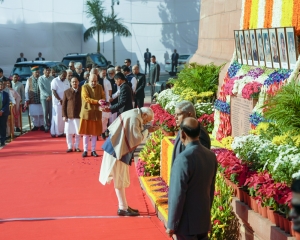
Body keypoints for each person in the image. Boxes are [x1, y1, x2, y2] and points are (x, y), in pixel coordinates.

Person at [99, 107, 157, 216]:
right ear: (144, 115)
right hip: (117, 150)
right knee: (119, 179)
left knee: (120, 178)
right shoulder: (135, 118)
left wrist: (145, 129)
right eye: (146, 120)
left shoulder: (134, 113)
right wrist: (147, 131)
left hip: (116, 147)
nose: (145, 122)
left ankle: (123, 206)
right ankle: (123, 208)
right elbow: (136, 138)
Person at [166, 117, 217, 240]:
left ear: (182, 134)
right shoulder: (211, 156)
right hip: (203, 221)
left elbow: (177, 194)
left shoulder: (183, 158)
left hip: (186, 224)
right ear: (199, 133)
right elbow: (211, 190)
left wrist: (172, 224)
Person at [172, 101, 211, 167]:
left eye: (178, 114)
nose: (175, 118)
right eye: (174, 114)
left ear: (189, 114)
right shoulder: (183, 129)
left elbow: (198, 163)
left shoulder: (199, 133)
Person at [78, 74, 105, 158]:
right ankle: (85, 150)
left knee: (95, 133)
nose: (94, 83)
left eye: (95, 81)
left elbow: (103, 97)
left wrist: (103, 102)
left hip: (96, 113)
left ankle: (93, 150)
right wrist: (98, 102)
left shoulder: (100, 87)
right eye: (92, 81)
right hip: (87, 112)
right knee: (86, 132)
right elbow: (86, 98)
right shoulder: (84, 87)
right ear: (88, 80)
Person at [62, 77, 82, 153]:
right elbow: (63, 105)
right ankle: (70, 146)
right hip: (69, 116)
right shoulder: (66, 92)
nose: (74, 83)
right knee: (68, 132)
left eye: (76, 82)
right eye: (73, 82)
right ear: (70, 83)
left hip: (78, 115)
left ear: (78, 82)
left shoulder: (82, 91)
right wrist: (64, 115)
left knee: (78, 132)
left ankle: (77, 146)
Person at [50, 70, 70, 137]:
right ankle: (55, 132)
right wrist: (59, 99)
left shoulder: (67, 81)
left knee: (63, 118)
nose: (64, 77)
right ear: (60, 74)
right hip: (57, 103)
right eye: (63, 76)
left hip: (65, 102)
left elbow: (68, 90)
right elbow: (54, 91)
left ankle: (61, 132)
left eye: (65, 76)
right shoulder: (55, 81)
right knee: (57, 118)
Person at [25, 66, 44, 131]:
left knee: (42, 113)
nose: (37, 73)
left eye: (38, 72)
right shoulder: (29, 80)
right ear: (33, 73)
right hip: (32, 99)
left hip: (41, 99)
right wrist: (27, 98)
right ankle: (35, 125)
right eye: (36, 72)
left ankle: (42, 125)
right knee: (34, 114)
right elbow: (26, 90)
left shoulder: (41, 78)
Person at [38, 67, 54, 133]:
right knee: (45, 112)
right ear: (43, 71)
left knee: (51, 112)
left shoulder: (52, 78)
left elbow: (53, 88)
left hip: (51, 97)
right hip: (44, 97)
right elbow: (41, 89)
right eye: (46, 70)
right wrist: (47, 95)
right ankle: (46, 126)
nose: (48, 72)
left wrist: (51, 96)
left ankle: (51, 125)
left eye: (49, 70)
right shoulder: (40, 78)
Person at [101, 68, 112, 140]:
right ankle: (100, 131)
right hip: (99, 102)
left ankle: (104, 131)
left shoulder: (107, 82)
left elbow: (110, 91)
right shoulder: (97, 82)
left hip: (106, 102)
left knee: (105, 118)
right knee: (101, 118)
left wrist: (108, 101)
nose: (104, 74)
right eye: (103, 73)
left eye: (105, 73)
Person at [0, 81, 10, 146]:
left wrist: (2, 111)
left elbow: (7, 103)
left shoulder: (6, 94)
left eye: (1, 84)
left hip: (3, 113)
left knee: (3, 126)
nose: (0, 86)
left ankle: (2, 140)